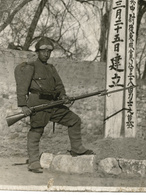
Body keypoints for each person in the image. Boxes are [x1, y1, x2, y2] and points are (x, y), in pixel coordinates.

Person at [15, 37, 94, 173]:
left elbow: (59, 85)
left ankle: (77, 148)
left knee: (74, 120)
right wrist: (23, 105)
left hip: (54, 103)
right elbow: (22, 87)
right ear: (37, 52)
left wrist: (63, 96)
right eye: (43, 51)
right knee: (36, 130)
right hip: (38, 103)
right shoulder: (31, 67)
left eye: (49, 51)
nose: (46, 54)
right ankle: (33, 162)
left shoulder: (51, 68)